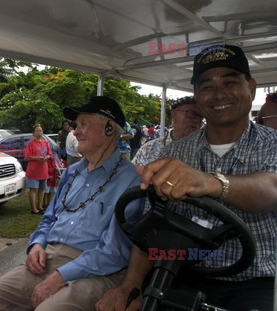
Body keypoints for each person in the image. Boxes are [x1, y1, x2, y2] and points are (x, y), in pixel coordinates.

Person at [96, 44, 277, 311]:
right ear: (196, 95)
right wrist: (130, 285)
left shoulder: (272, 143)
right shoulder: (174, 153)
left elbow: (271, 187)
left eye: (230, 81)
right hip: (182, 275)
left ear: (251, 87)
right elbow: (151, 232)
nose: (219, 94)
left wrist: (208, 182)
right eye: (206, 86)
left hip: (255, 284)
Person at [0, 96, 144, 311]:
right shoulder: (72, 172)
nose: (75, 131)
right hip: (48, 259)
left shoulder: (132, 180)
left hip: (97, 270)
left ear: (109, 128)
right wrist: (37, 244)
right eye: (76, 125)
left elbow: (114, 251)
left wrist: (62, 275)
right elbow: (49, 218)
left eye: (83, 124)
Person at [132, 96, 203, 166]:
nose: (197, 120)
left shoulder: (204, 153)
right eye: (191, 114)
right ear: (174, 115)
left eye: (201, 116)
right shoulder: (149, 148)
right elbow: (133, 174)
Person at [25, 124, 52, 214]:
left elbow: (50, 154)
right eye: (37, 131)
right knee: (33, 189)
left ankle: (40, 206)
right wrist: (37, 158)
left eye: (40, 131)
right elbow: (27, 157)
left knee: (42, 189)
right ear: (33, 133)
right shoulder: (30, 143)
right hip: (33, 170)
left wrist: (47, 157)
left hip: (43, 170)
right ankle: (33, 209)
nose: (39, 132)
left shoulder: (45, 143)